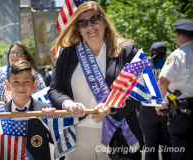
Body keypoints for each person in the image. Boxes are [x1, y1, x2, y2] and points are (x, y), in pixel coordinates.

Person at [48, 1, 144, 160]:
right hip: (76, 135)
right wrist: (67, 103)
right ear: (78, 28)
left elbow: (140, 89)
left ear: (104, 21)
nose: (90, 26)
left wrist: (111, 108)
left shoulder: (127, 51)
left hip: (116, 136)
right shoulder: (68, 53)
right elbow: (55, 89)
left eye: (95, 19)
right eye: (83, 23)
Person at [0, 60, 56, 160]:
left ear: (34, 85)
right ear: (7, 85)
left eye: (26, 81)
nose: (21, 86)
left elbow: (58, 141)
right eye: (15, 82)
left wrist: (53, 121)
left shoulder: (45, 110)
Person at [155, 19, 193, 160]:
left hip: (182, 111)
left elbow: (162, 83)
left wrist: (158, 103)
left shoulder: (179, 55)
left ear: (179, 35)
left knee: (181, 151)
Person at [0, 41, 46, 109]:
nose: (15, 55)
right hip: (2, 117)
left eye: (19, 53)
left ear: (26, 57)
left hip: (28, 117)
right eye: (12, 52)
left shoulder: (34, 75)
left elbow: (44, 95)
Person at [138, 42, 171, 160]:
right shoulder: (170, 65)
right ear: (164, 54)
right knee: (168, 148)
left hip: (147, 111)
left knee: (151, 148)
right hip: (166, 110)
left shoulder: (143, 66)